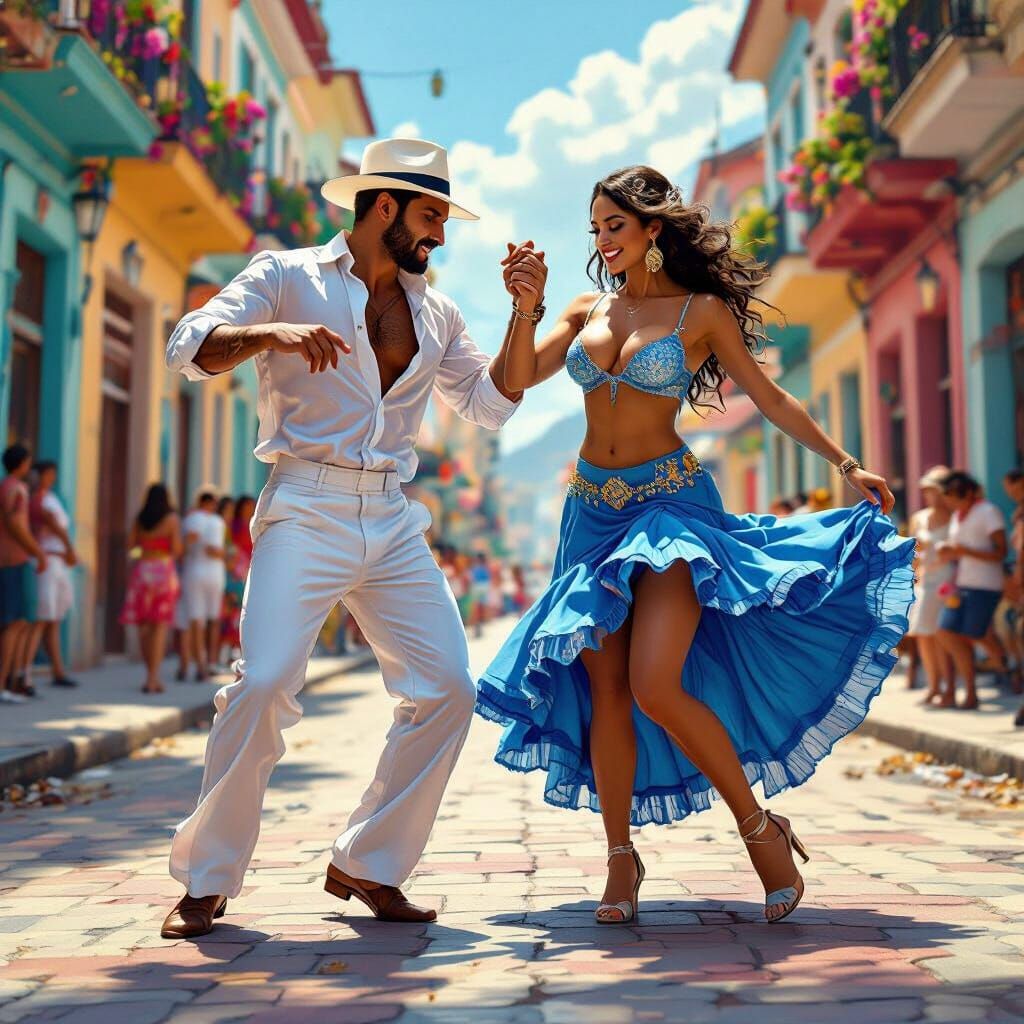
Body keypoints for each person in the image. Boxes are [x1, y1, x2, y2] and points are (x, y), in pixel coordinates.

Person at [475, 166, 914, 926]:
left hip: (672, 509)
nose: (604, 240)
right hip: (590, 516)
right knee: (606, 691)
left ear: (653, 229)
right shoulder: (585, 309)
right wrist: (525, 308)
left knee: (654, 683)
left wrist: (846, 464)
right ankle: (620, 859)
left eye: (616, 224)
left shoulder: (700, 311)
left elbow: (769, 394)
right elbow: (511, 384)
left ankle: (758, 829)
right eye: (596, 229)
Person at [159, 138, 523, 939]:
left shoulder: (437, 312)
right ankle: (207, 880)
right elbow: (188, 345)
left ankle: (369, 861)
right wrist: (272, 335)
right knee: (263, 684)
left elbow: (490, 406)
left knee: (448, 690)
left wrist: (525, 314)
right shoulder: (286, 275)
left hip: (392, 515)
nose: (439, 234)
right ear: (383, 205)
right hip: (306, 503)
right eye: (430, 215)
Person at [935, 471, 1007, 710]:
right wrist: (951, 552)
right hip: (963, 584)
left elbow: (1001, 552)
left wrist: (964, 551)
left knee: (975, 633)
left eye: (954, 497)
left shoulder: (988, 512)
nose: (949, 502)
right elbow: (962, 550)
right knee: (946, 632)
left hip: (986, 584)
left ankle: (1006, 667)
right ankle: (972, 690)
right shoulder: (958, 515)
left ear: (968, 494)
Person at [120, 484, 183, 693]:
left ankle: (149, 675)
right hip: (163, 572)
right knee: (159, 627)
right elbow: (176, 549)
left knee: (144, 627)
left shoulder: (140, 519)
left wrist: (145, 552)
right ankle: (153, 677)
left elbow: (131, 548)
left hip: (142, 572)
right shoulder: (172, 520)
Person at [26, 461, 79, 689]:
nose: (51, 478)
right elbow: (51, 524)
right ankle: (24, 672)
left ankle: (58, 669)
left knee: (54, 619)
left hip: (57, 561)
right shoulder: (37, 500)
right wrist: (70, 548)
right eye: (47, 474)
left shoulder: (50, 498)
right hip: (47, 560)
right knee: (41, 619)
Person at [0, 444, 46, 703]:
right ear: (22, 464)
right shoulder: (17, 489)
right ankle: (5, 682)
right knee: (15, 623)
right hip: (14, 560)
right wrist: (37, 552)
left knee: (14, 622)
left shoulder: (5, 486)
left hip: (7, 560)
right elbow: (16, 526)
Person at [906, 466, 955, 705]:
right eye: (926, 490)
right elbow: (913, 553)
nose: (929, 495)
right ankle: (934, 685)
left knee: (944, 635)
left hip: (949, 580)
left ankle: (949, 686)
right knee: (924, 634)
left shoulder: (956, 516)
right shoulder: (920, 518)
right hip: (925, 580)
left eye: (933, 489)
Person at [180, 491, 226, 682]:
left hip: (194, 570)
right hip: (214, 573)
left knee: (194, 620)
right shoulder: (217, 522)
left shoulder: (191, 519)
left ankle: (197, 665)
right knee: (213, 620)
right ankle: (210, 662)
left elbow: (189, 543)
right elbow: (215, 550)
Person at [221, 494, 255, 665]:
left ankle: (242, 653)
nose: (249, 509)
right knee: (232, 612)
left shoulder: (256, 524)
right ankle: (227, 652)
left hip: (250, 572)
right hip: (235, 574)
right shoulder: (233, 526)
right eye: (246, 505)